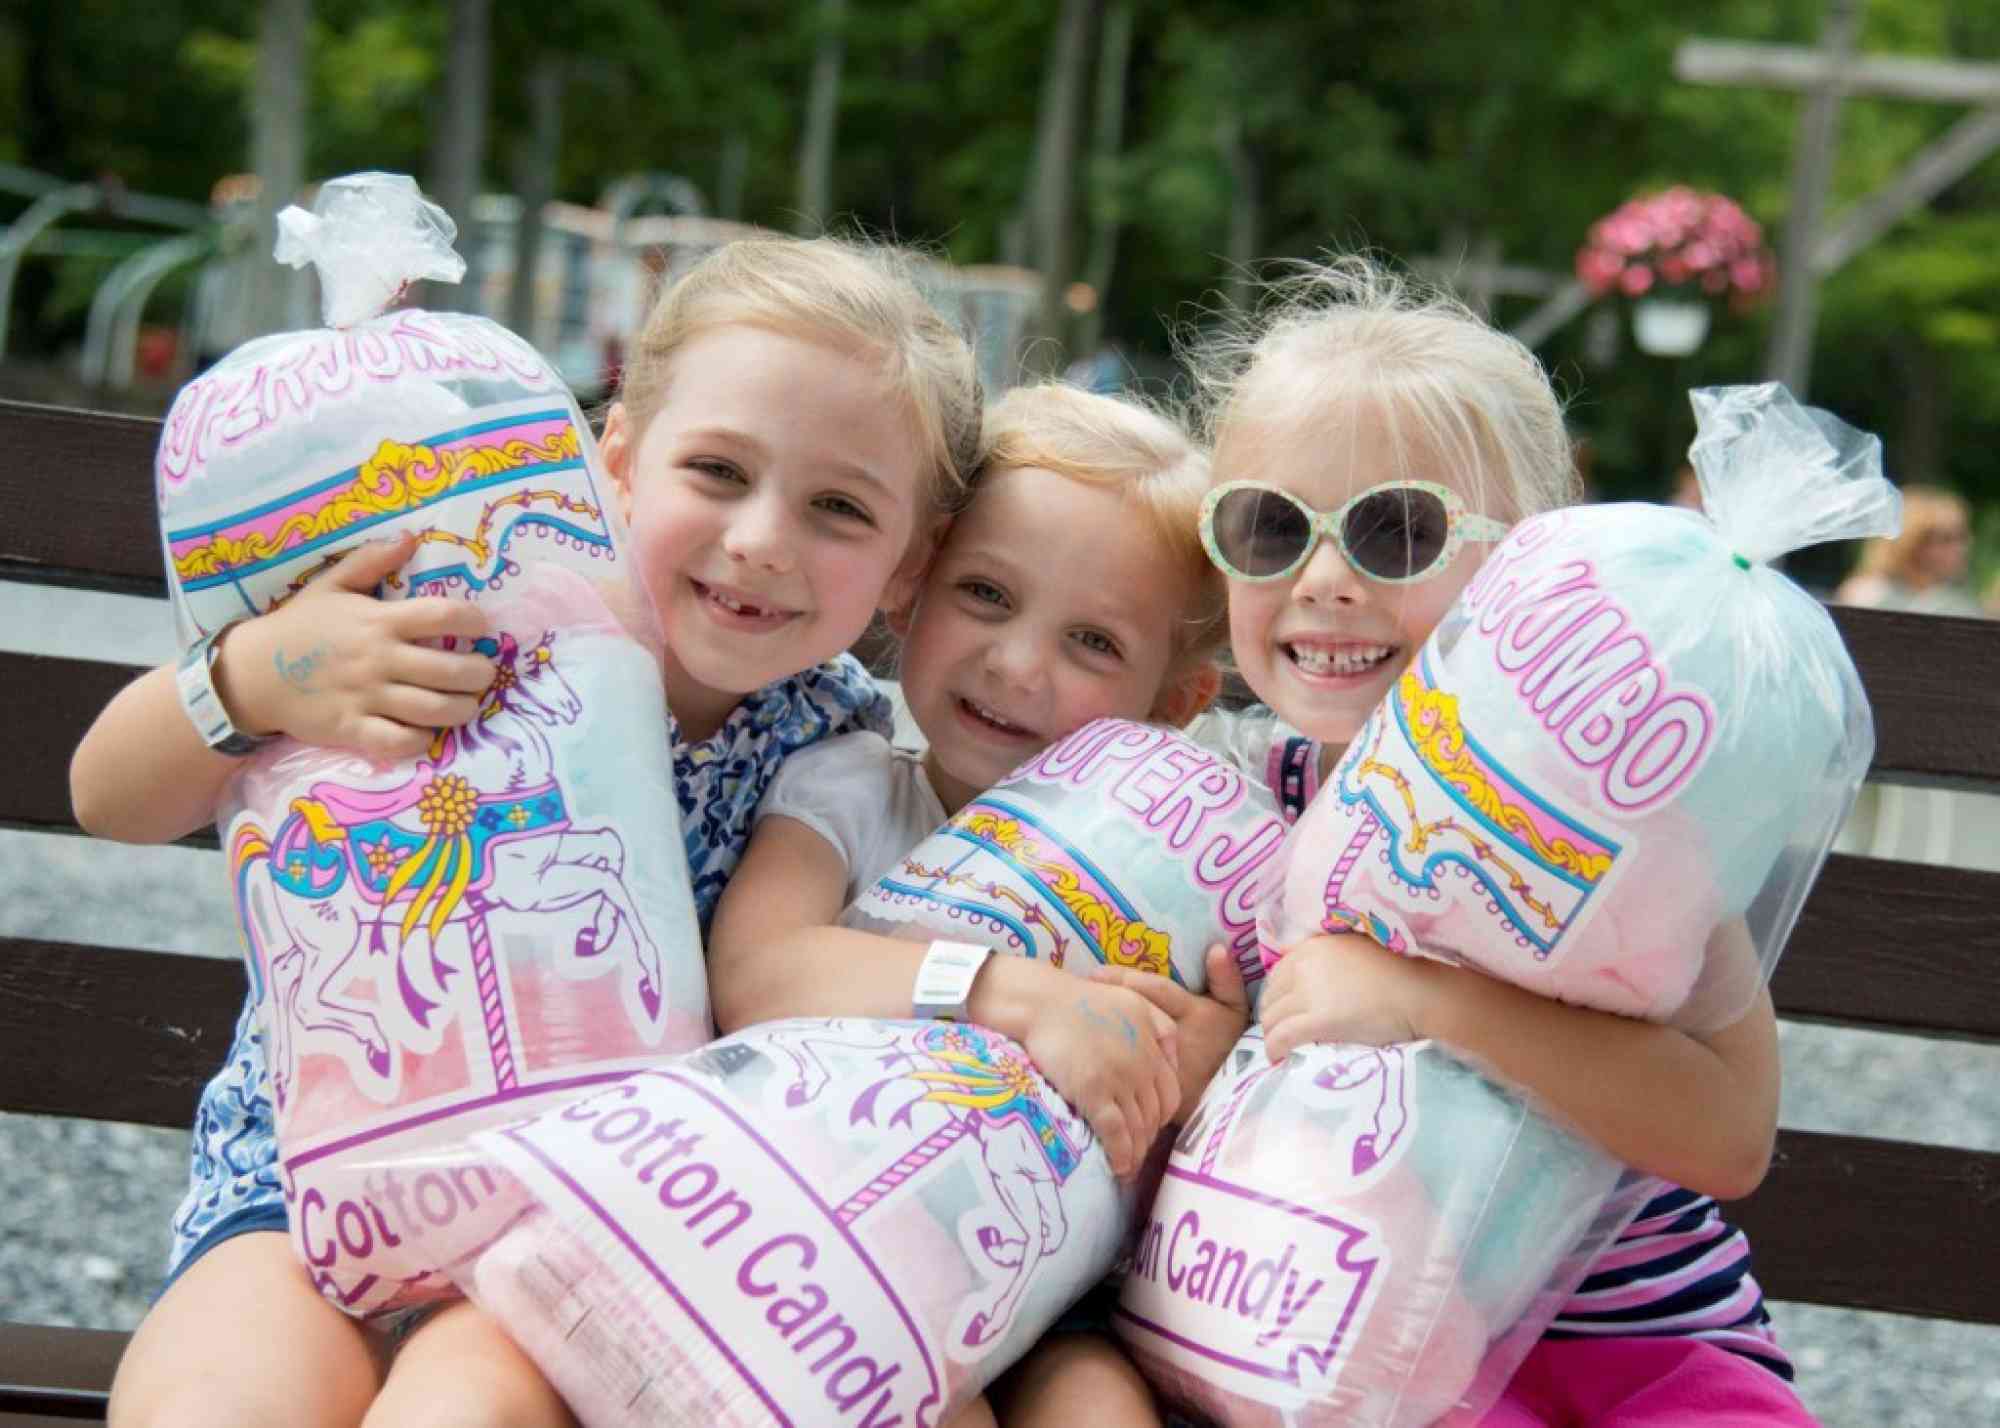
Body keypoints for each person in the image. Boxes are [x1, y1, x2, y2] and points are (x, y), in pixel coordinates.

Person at [69, 234, 984, 1428]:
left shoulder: (835, 757)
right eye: (716, 471)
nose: (762, 538)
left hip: (594, 1231)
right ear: (609, 460)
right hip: (304, 1181)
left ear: (907, 565)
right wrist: (256, 674)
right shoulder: (457, 617)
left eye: (837, 509)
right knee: (218, 1401)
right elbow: (105, 795)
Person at [1128, 255, 1815, 1425]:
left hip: (1640, 1358)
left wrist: (1424, 1002)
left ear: (1544, 566)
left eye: (1398, 532)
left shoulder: (1612, 828)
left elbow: (1728, 1135)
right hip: (1332, 1352)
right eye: (1268, 527)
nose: (1326, 580)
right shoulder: (1233, 808)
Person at [706, 382, 1250, 1428]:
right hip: (839, 1239)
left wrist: (1199, 1077)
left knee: (1097, 1408)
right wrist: (1007, 991)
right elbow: (757, 976)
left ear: (1175, 703)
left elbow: (1181, 1137)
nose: (1015, 663)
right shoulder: (854, 786)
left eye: (1093, 643)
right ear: (912, 585)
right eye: (986, 596)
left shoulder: (1173, 879)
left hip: (1058, 1292)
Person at [1833, 483, 1981, 617]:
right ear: (1910, 543)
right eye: (1946, 539)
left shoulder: (1954, 600)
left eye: (1962, 537)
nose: (1961, 548)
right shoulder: (1870, 596)